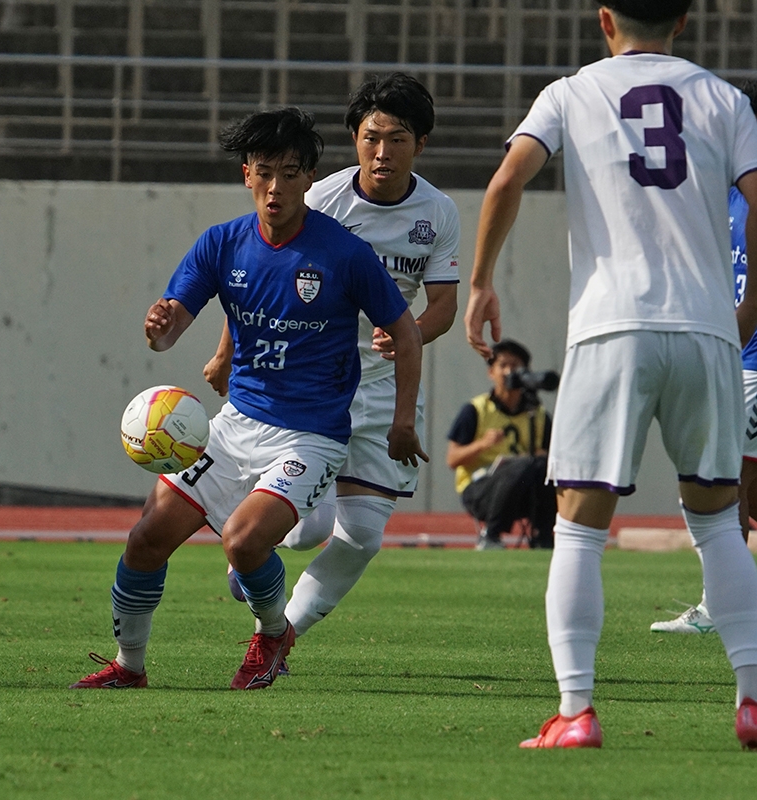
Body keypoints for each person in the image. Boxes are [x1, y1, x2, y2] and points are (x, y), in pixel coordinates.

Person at [465, 0, 757, 750]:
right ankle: (752, 701)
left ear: (603, 19)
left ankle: (576, 712)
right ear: (684, 20)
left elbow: (506, 182)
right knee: (719, 521)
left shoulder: (571, 92)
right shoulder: (726, 99)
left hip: (611, 326)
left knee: (578, 527)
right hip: (705, 326)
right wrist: (751, 302)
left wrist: (483, 282)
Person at [71, 107, 426, 691]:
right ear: (246, 175)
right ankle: (128, 666)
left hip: (311, 437)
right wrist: (159, 326)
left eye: (289, 173)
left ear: (309, 178)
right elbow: (170, 330)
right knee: (146, 539)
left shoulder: (345, 253)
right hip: (235, 426)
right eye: (264, 173)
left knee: (243, 541)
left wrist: (402, 421)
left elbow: (406, 334)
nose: (275, 188)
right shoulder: (222, 244)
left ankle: (272, 632)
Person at [203, 74, 458, 643]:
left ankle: (281, 636)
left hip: (383, 386)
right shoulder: (322, 198)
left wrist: (410, 334)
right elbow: (262, 276)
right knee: (306, 529)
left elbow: (444, 306)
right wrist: (225, 352)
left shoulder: (438, 213)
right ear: (354, 139)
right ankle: (254, 542)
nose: (382, 152)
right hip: (314, 383)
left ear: (420, 144)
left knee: (363, 535)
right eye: (371, 138)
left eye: (397, 139)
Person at [651, 80, 757, 636]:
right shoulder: (730, 194)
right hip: (735, 358)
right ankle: (725, 603)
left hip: (748, 363)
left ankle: (722, 606)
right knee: (730, 485)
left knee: (722, 483)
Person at [446, 339, 555, 550]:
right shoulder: (475, 410)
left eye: (515, 366)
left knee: (543, 467)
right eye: (503, 365)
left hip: (524, 492)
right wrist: (482, 445)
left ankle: (544, 537)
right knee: (521, 465)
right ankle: (491, 535)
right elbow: (452, 460)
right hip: (481, 490)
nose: (509, 372)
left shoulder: (538, 415)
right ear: (491, 372)